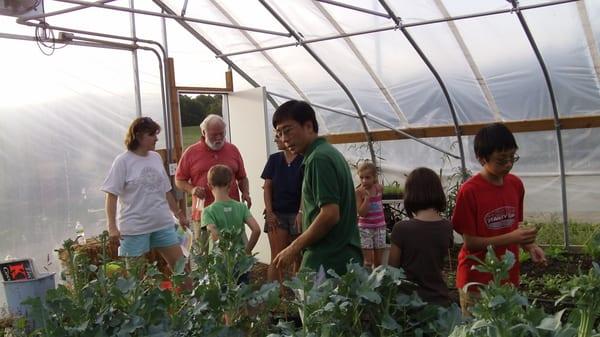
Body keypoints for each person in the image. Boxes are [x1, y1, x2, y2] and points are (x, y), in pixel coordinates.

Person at [452, 122, 546, 315]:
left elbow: (513, 226)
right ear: (481, 159)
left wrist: (530, 246)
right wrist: (514, 238)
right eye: (501, 160)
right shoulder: (469, 191)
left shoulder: (515, 185)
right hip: (477, 282)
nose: (509, 164)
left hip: (508, 277)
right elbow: (471, 244)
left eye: (513, 157)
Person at [271, 100, 362, 276]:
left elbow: (330, 214)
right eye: (279, 133)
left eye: (288, 130)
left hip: (328, 262)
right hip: (339, 259)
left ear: (309, 126)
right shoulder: (326, 153)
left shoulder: (318, 159)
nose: (284, 139)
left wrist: (294, 247)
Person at [101, 117, 188, 271]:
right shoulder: (123, 161)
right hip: (135, 229)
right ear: (139, 135)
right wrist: (112, 227)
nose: (156, 138)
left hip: (163, 224)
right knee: (136, 279)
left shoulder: (155, 158)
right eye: (152, 135)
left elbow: (166, 190)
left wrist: (178, 213)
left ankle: (188, 295)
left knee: (181, 268)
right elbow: (111, 195)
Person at [175, 114, 251, 252]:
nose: (218, 138)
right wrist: (192, 190)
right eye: (214, 135)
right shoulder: (191, 152)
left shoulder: (232, 149)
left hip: (231, 212)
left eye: (221, 134)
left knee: (235, 251)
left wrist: (245, 192)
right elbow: (179, 180)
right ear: (203, 133)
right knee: (204, 254)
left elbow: (242, 177)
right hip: (203, 213)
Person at [388, 167, 453, 306]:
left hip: (409, 304)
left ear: (411, 194)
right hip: (439, 301)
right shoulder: (446, 227)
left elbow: (392, 269)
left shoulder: (401, 229)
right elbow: (442, 264)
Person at [261, 132, 303, 283]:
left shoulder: (303, 160)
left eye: (278, 136)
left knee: (298, 256)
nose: (275, 139)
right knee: (277, 257)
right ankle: (275, 295)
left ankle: (297, 293)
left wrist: (301, 212)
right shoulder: (274, 160)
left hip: (297, 214)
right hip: (277, 214)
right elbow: (267, 187)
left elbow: (306, 189)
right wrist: (270, 212)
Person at [201, 165, 261, 267]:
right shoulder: (241, 207)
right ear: (231, 184)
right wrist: (247, 251)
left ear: (209, 185)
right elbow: (256, 230)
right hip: (240, 261)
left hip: (219, 262)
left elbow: (214, 235)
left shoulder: (207, 211)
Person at [355, 161, 387, 269]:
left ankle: (377, 283)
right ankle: (367, 282)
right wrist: (367, 199)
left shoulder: (379, 188)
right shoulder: (359, 192)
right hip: (365, 229)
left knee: (378, 262)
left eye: (368, 177)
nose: (364, 180)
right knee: (368, 262)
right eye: (361, 177)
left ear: (374, 177)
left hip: (379, 227)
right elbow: (362, 213)